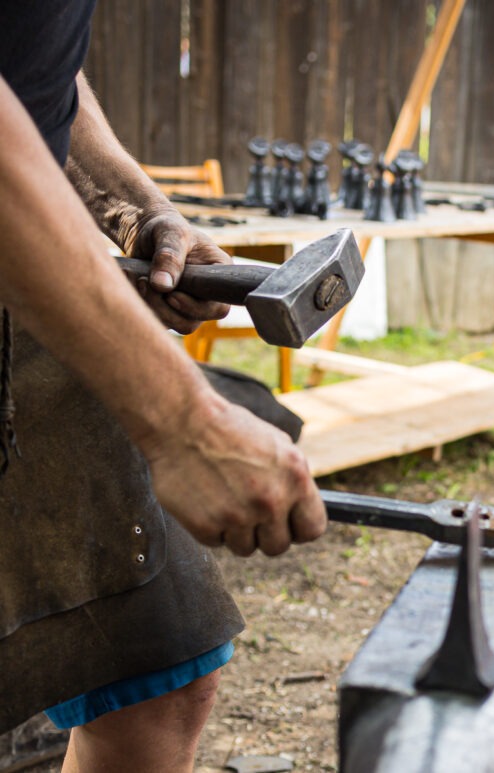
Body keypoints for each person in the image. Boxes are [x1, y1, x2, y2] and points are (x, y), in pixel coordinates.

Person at [0, 2, 328, 771]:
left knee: (152, 675)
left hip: (25, 284)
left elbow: (31, 63)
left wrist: (132, 206)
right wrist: (184, 423)